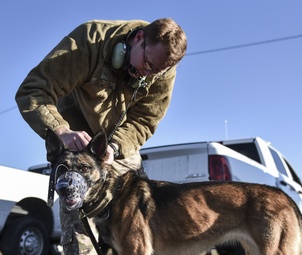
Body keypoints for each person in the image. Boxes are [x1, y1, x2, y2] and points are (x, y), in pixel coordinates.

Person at [16, 18, 187, 254]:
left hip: (119, 151)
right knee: (79, 228)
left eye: (156, 71)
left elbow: (145, 120)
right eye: (147, 64)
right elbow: (33, 90)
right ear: (138, 39)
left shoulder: (161, 71)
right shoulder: (91, 40)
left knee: (132, 233)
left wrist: (115, 147)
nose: (147, 74)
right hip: (76, 147)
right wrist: (61, 130)